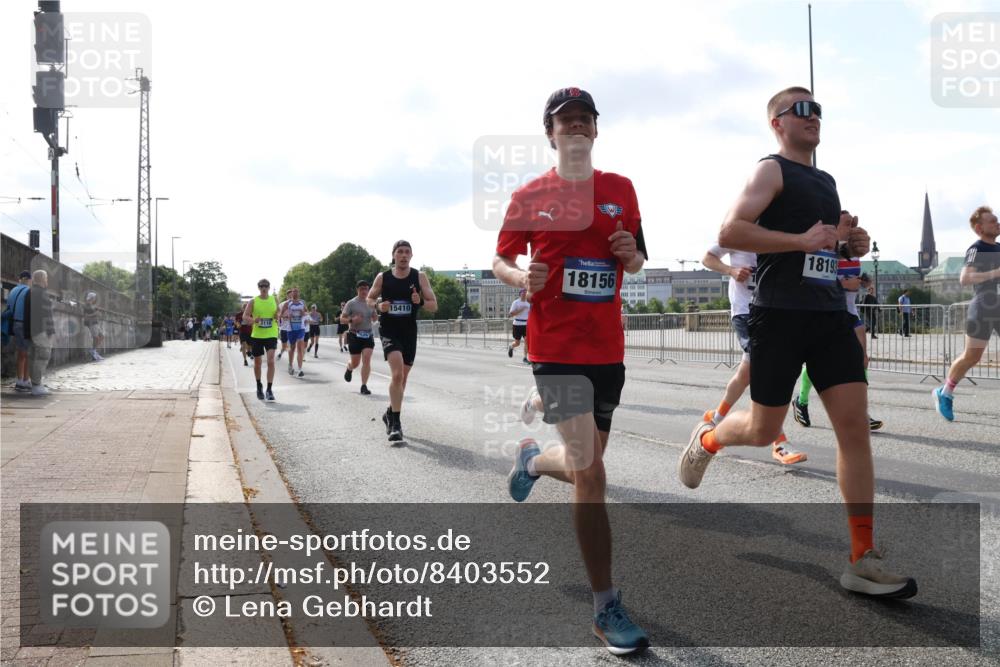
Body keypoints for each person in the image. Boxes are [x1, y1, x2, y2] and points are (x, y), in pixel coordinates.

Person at [677, 86, 916, 599]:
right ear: (777, 123)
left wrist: (850, 242)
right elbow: (732, 229)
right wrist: (800, 242)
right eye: (801, 110)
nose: (813, 118)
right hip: (779, 314)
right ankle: (710, 438)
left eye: (818, 111)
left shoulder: (826, 180)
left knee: (853, 427)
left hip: (829, 314)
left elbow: (825, 243)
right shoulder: (770, 170)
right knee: (765, 430)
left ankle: (861, 558)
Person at [496, 87, 650, 655]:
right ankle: (605, 604)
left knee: (590, 462)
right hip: (554, 345)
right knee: (592, 472)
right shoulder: (530, 194)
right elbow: (502, 257)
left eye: (585, 119)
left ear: (595, 130)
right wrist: (519, 279)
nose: (577, 127)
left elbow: (636, 258)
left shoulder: (620, 189)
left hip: (607, 348)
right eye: (567, 121)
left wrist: (630, 253)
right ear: (551, 134)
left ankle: (532, 460)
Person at [701, 245, 806, 464]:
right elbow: (707, 258)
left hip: (769, 311)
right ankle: (779, 442)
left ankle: (716, 417)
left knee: (745, 374)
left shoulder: (776, 232)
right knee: (763, 368)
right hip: (744, 312)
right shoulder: (738, 229)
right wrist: (731, 270)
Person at [792, 211, 882, 431]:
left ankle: (861, 412)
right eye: (847, 222)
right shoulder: (826, 247)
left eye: (853, 222)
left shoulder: (854, 249)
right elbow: (813, 282)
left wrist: (864, 282)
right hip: (828, 312)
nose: (852, 225)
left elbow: (854, 276)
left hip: (850, 312)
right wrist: (843, 285)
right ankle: (801, 401)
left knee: (862, 360)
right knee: (817, 362)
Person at [367, 240, 438, 442]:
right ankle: (396, 424)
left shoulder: (419, 277)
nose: (404, 255)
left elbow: (434, 306)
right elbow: (369, 300)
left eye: (407, 252)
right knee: (397, 375)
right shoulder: (383, 277)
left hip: (409, 332)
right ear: (394, 255)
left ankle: (390, 412)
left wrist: (421, 302)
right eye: (400, 252)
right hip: (389, 330)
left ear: (411, 256)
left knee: (403, 379)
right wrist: (379, 305)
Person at [934, 205, 1000, 421]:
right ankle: (945, 393)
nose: (997, 223)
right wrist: (995, 272)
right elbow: (965, 278)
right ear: (980, 228)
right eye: (993, 221)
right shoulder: (976, 248)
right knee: (972, 356)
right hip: (983, 306)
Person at [242, 279, 279, 401]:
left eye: (266, 286)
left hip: (271, 333)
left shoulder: (274, 299)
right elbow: (245, 316)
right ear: (258, 288)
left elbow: (278, 312)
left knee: (271, 361)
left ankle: (269, 389)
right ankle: (259, 386)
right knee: (257, 363)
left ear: (269, 287)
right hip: (257, 335)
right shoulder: (253, 301)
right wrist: (253, 320)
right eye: (261, 286)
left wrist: (277, 316)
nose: (264, 288)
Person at [342, 281, 378, 395]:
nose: (364, 291)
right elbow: (342, 319)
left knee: (366, 359)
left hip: (368, 335)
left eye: (366, 289)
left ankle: (364, 386)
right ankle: (349, 367)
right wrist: (352, 320)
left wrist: (375, 316)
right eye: (362, 289)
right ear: (357, 290)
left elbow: (374, 318)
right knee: (355, 363)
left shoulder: (371, 303)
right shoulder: (351, 303)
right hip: (354, 335)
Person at [25, 269, 56, 396]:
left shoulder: (29, 292)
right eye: (46, 278)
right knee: (42, 356)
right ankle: (37, 385)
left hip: (31, 330)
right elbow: (47, 315)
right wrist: (51, 331)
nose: (47, 280)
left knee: (33, 357)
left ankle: (35, 384)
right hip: (41, 331)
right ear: (42, 279)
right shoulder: (42, 293)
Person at [8, 271, 33, 391]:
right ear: (29, 280)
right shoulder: (28, 291)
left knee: (21, 353)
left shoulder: (13, 290)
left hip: (15, 323)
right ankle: (25, 381)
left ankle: (19, 379)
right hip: (25, 324)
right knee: (28, 354)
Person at [279, 287, 308, 377]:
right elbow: (280, 315)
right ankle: (290, 365)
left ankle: (300, 369)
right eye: (293, 292)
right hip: (290, 329)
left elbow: (307, 313)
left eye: (296, 291)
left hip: (301, 328)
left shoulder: (302, 303)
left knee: (300, 348)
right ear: (291, 294)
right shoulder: (287, 303)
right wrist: (287, 315)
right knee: (292, 348)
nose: (295, 293)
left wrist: (303, 313)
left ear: (299, 293)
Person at [507, 288, 531, 363]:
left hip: (526, 324)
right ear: (520, 294)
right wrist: (521, 309)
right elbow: (510, 315)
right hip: (517, 324)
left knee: (527, 341)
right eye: (523, 292)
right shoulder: (516, 302)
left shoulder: (529, 303)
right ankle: (511, 347)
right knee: (517, 343)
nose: (524, 293)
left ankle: (525, 358)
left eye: (525, 292)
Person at [82, 292, 104, 361]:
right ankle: (93, 351)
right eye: (94, 297)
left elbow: (99, 314)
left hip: (96, 323)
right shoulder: (87, 305)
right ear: (91, 298)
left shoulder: (93, 305)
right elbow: (86, 316)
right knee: (96, 338)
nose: (95, 299)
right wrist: (94, 314)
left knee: (102, 336)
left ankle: (94, 350)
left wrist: (97, 313)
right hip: (91, 323)